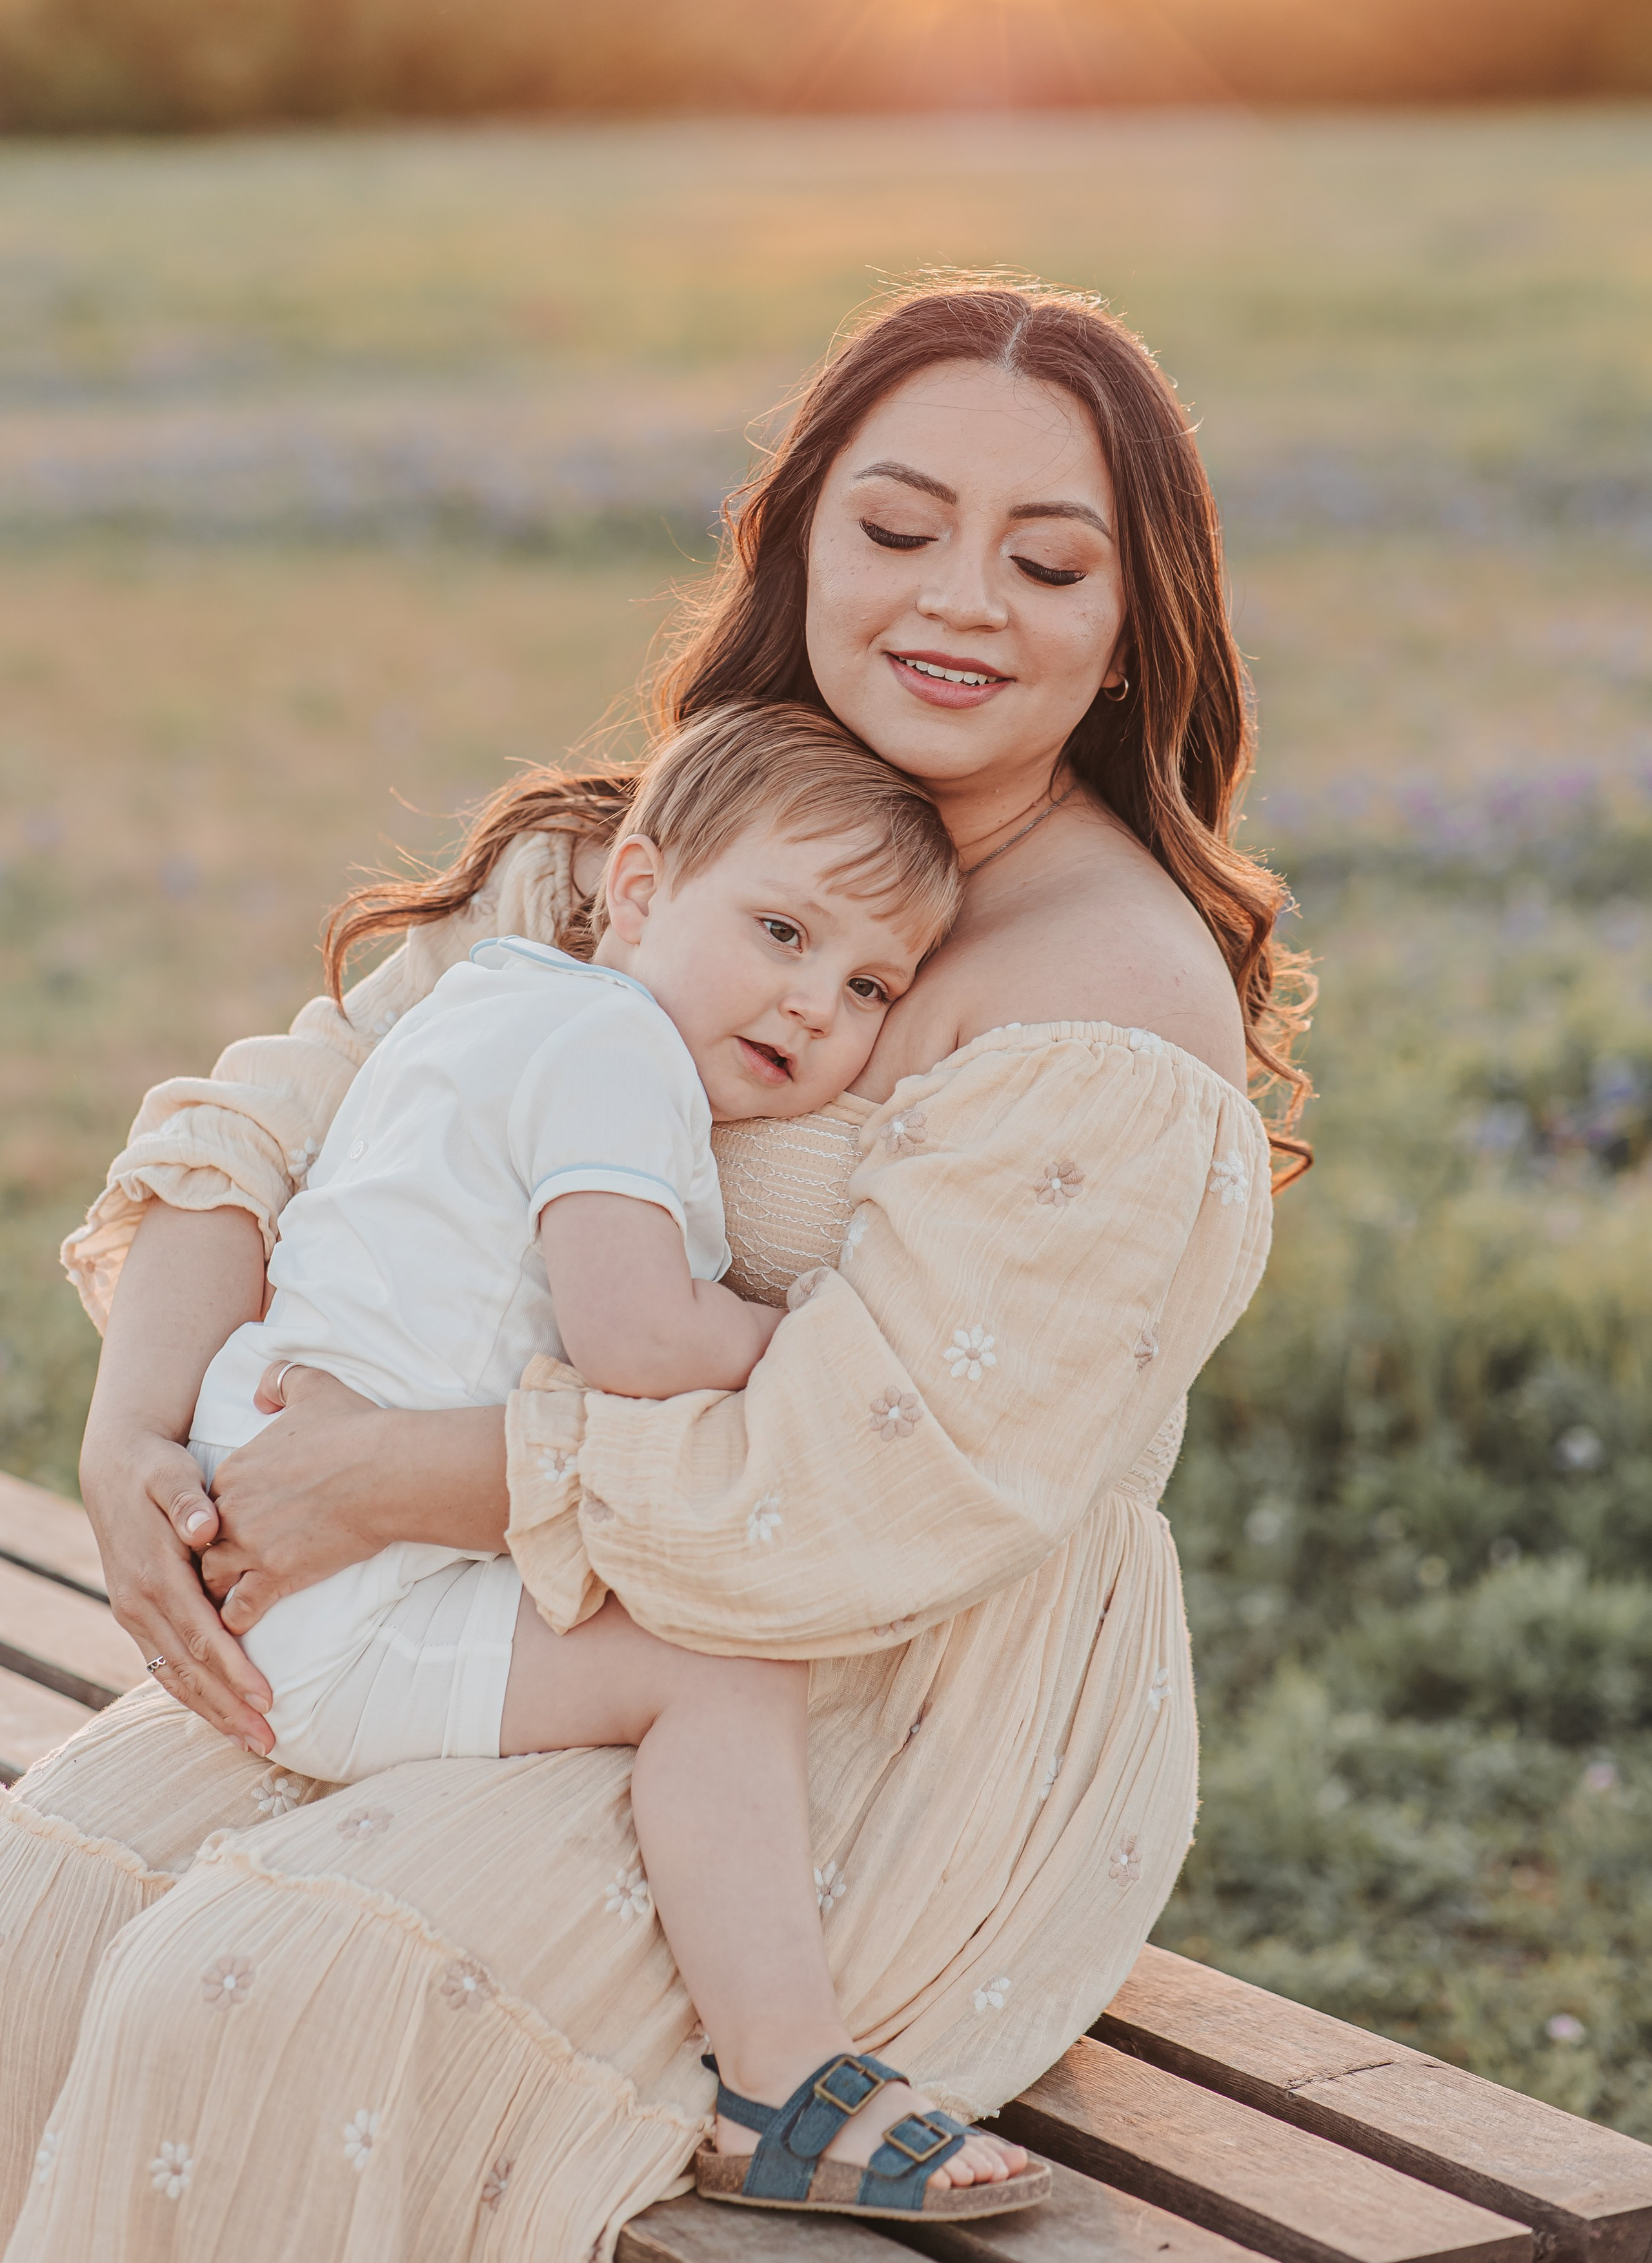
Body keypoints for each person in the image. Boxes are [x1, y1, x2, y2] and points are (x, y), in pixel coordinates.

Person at [1, 277, 1309, 2263]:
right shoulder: (645, 855)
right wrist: (136, 1433)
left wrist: (370, 1476)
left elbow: (860, 1494)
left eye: (1048, 563)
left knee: (261, 1991)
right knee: (56, 1889)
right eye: (895, 530)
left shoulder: (1106, 1012)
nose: (959, 601)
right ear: (795, 543)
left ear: (1135, 632)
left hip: (853, 1690)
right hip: (465, 1593)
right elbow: (285, 1113)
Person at [176, 698, 1034, 2222]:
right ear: (634, 888)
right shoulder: (618, 1052)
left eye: (864, 985)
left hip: (279, 1494)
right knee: (725, 1663)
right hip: (347, 1594)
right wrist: (798, 1343)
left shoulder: (499, 998)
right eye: (777, 929)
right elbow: (635, 1336)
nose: (808, 1005)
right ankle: (784, 2083)